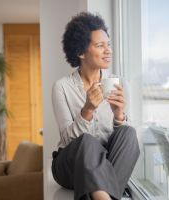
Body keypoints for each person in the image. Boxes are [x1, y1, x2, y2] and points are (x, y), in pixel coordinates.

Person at [51, 12, 140, 200]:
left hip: (107, 163)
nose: (108, 51)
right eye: (100, 45)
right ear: (80, 52)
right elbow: (68, 141)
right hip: (70, 166)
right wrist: (87, 111)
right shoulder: (62, 87)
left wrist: (119, 116)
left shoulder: (120, 84)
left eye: (108, 45)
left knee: (129, 133)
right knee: (87, 141)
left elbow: (125, 145)